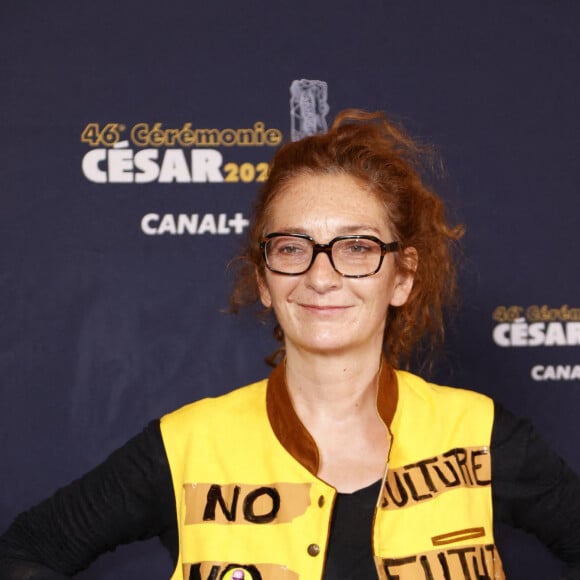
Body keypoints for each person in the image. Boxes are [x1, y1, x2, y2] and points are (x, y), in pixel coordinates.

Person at [1, 109, 580, 580]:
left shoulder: (476, 433)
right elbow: (26, 552)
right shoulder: (190, 445)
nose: (321, 276)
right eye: (291, 247)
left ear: (401, 276)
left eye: (355, 247)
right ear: (264, 280)